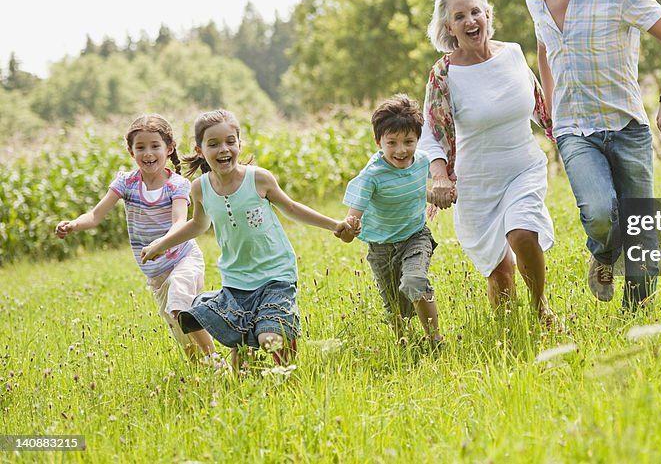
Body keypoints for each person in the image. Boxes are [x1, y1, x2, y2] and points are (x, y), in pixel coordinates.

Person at [526, 0, 661, 309]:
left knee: (641, 231)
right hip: (573, 128)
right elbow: (545, 48)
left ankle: (638, 318)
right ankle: (602, 254)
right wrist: (549, 107)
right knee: (600, 213)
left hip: (626, 124)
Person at [141, 109, 345, 368]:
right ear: (200, 150)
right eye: (213, 144)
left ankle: (289, 367)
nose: (223, 149)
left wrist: (335, 225)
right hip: (236, 279)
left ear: (239, 144)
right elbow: (197, 225)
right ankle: (245, 390)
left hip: (275, 274)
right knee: (240, 353)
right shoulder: (200, 188)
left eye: (230, 141)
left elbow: (292, 208)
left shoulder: (258, 179)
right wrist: (161, 244)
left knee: (270, 339)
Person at [420, 0, 559, 326]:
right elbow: (432, 133)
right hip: (477, 182)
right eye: (459, 16)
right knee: (500, 273)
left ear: (487, 15)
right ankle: (511, 338)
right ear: (448, 27)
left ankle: (541, 308)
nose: (470, 20)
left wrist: (568, 141)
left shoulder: (512, 53)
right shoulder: (444, 74)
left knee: (522, 233)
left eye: (475, 12)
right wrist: (439, 176)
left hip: (521, 166)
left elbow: (541, 106)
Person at [55, 114, 216, 360]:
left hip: (184, 259)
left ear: (169, 148)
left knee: (180, 305)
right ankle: (199, 373)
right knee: (178, 326)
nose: (148, 153)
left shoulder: (177, 185)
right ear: (131, 151)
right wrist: (73, 225)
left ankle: (216, 362)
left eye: (155, 146)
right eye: (140, 147)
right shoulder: (127, 183)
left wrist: (161, 245)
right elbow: (96, 215)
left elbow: (179, 223)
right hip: (155, 271)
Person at [335, 95, 443, 347]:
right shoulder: (371, 177)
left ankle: (435, 341)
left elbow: (418, 186)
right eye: (391, 143)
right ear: (378, 142)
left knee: (415, 282)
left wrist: (436, 196)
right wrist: (349, 229)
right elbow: (351, 225)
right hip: (381, 246)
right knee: (397, 310)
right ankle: (405, 345)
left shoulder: (423, 161)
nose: (401, 150)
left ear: (418, 139)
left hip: (415, 235)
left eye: (409, 141)